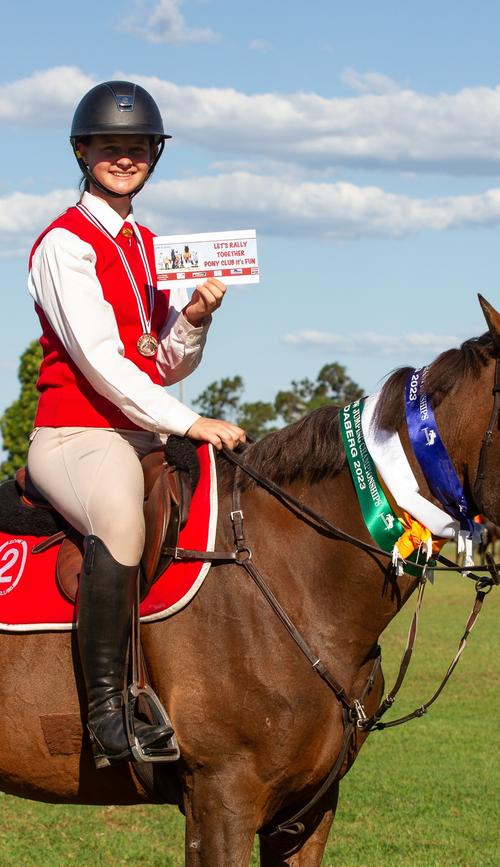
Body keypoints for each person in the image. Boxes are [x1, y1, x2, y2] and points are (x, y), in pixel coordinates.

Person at [26, 80, 245, 768]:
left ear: (154, 154)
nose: (125, 158)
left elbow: (158, 360)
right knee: (121, 520)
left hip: (140, 429)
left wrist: (196, 319)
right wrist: (189, 422)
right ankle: (105, 713)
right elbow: (100, 364)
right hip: (76, 434)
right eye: (109, 147)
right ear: (82, 151)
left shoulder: (149, 245)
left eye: (138, 147)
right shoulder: (64, 245)